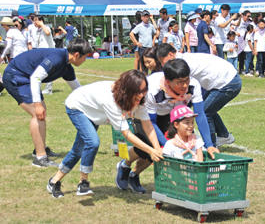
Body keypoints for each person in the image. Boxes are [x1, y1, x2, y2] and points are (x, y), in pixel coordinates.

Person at [47, 70, 163, 198]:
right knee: (92, 142)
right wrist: (151, 151)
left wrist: (157, 149)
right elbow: (127, 134)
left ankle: (54, 181)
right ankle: (83, 183)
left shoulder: (138, 100)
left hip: (95, 112)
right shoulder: (110, 100)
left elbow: (148, 126)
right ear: (127, 90)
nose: (141, 95)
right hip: (77, 107)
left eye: (144, 90)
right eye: (138, 92)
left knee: (78, 149)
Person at [115, 59, 219, 193]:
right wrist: (169, 144)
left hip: (170, 116)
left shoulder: (194, 85)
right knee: (148, 147)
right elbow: (150, 123)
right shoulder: (152, 89)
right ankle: (124, 165)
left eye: (186, 80)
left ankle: (133, 174)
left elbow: (200, 115)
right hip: (146, 116)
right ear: (168, 81)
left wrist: (209, 144)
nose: (185, 85)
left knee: (159, 152)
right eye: (179, 82)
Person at [2, 39, 92, 167]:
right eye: (85, 57)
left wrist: (96, 105)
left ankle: (39, 149)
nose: (85, 61)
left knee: (41, 114)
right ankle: (40, 158)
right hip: (16, 76)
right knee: (37, 113)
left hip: (27, 78)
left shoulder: (67, 67)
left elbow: (78, 90)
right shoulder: (57, 58)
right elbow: (36, 77)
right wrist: (37, 105)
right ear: (77, 54)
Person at [156, 43, 241, 147]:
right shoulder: (184, 58)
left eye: (162, 61)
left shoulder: (182, 66)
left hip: (228, 82)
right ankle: (224, 135)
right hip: (226, 78)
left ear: (170, 54)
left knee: (204, 112)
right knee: (207, 108)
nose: (163, 65)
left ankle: (211, 147)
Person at [34, 15, 55, 95]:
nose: (34, 22)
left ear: (41, 20)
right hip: (41, 52)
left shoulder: (45, 27)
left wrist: (42, 24)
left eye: (36, 20)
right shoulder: (38, 30)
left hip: (48, 52)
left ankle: (49, 89)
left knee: (47, 70)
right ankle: (42, 88)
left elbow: (48, 33)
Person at [236, 10, 251, 74]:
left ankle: (242, 69)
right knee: (238, 56)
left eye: (250, 16)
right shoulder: (238, 21)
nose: (249, 17)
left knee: (243, 56)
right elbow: (232, 29)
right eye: (248, 16)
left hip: (244, 41)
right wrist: (236, 33)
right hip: (238, 41)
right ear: (244, 15)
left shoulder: (248, 23)